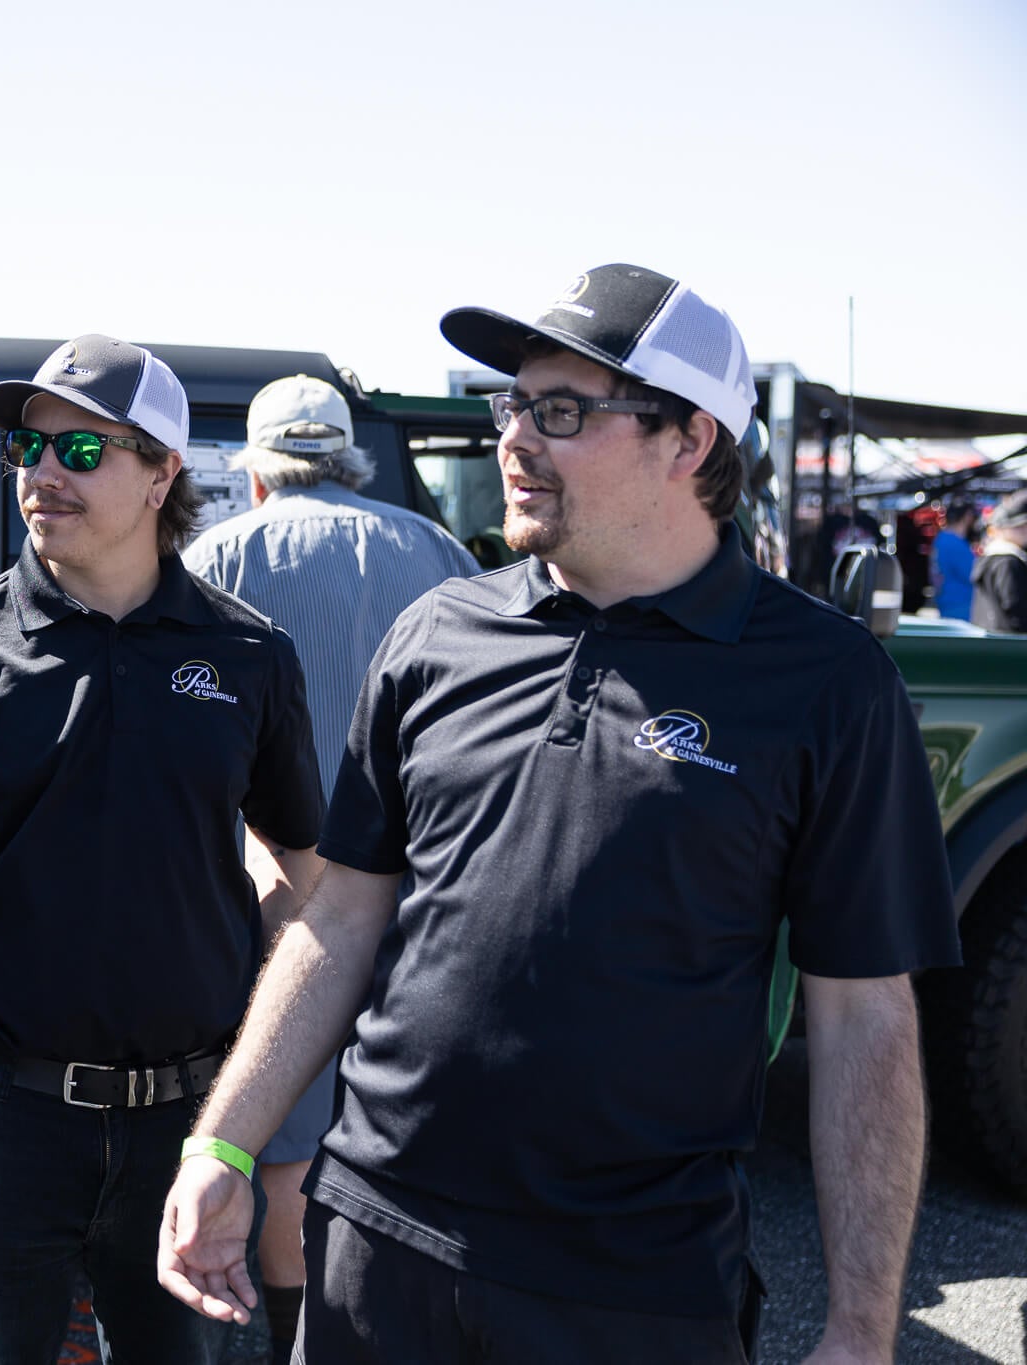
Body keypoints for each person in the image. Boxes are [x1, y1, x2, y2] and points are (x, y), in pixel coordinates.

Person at [159, 264, 960, 1364]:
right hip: (374, 1248)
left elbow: (862, 1015)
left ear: (686, 442)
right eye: (511, 405)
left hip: (632, 1290)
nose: (514, 440)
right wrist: (226, 1146)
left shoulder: (823, 682)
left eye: (562, 412)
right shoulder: (436, 631)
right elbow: (340, 918)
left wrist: (862, 1329)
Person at [0, 334, 326, 1364]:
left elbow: (298, 868)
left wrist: (257, 1062)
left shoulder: (247, 657)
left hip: (183, 1128)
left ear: (162, 474)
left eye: (82, 451)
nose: (41, 473)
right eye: (26, 448)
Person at [179, 373, 476, 1365]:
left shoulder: (219, 555)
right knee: (399, 1116)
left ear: (255, 473)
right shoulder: (431, 547)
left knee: (284, 1130)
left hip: (278, 898)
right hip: (421, 883)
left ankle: (295, 1343)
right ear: (349, 454)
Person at [972, 489, 1027, 632]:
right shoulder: (1008, 561)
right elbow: (1015, 609)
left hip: (989, 640)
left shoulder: (990, 557)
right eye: (1020, 526)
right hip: (1008, 644)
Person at [930, 500, 979, 619]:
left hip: (946, 601)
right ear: (968, 516)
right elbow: (974, 574)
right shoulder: (955, 543)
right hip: (962, 606)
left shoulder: (941, 539)